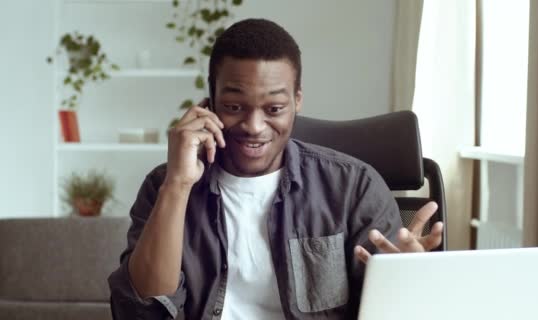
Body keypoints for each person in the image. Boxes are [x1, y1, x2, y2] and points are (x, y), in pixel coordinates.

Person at [108, 18, 443, 320]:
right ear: (208, 102)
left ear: (297, 100)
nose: (254, 126)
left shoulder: (354, 187)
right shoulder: (164, 185)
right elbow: (139, 314)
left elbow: (392, 310)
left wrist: (408, 282)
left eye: (274, 108)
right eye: (234, 106)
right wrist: (178, 185)